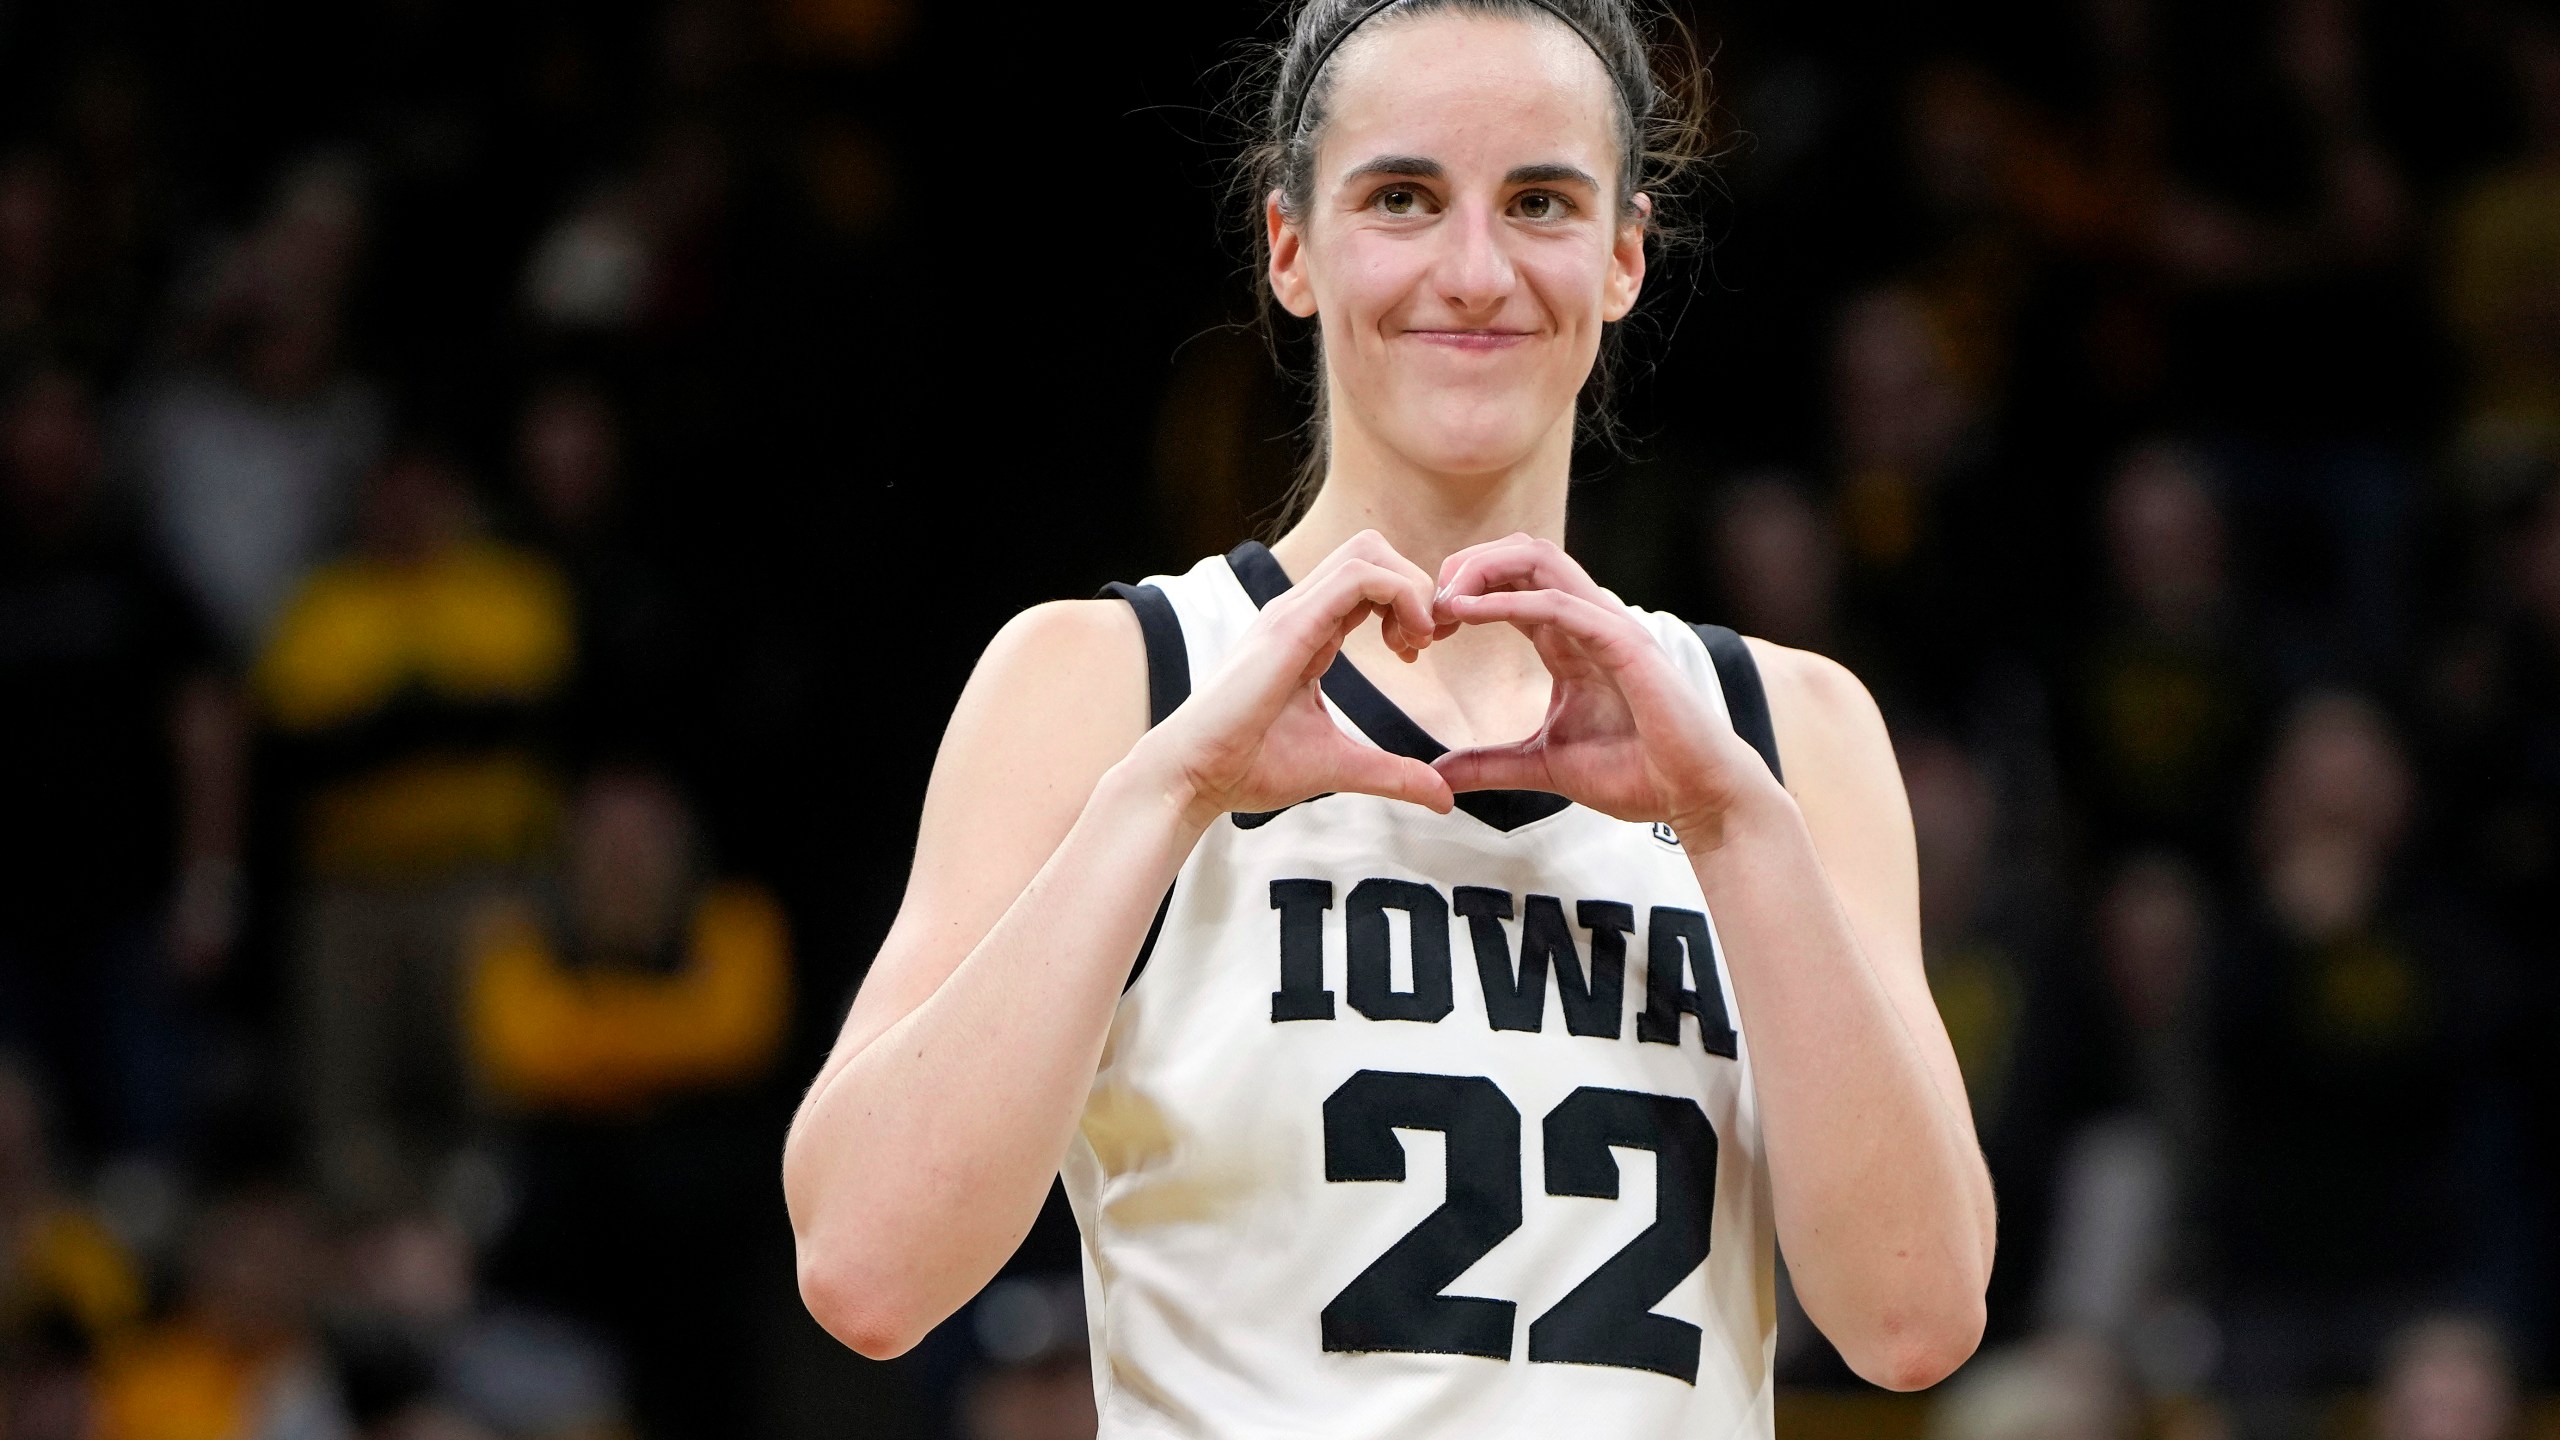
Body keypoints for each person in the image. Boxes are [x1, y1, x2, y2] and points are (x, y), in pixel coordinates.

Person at [783, 0, 1994, 1434]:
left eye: (1539, 201)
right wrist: (1169, 794)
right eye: (1404, 197)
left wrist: (1732, 828)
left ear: (1624, 256)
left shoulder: (1783, 729)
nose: (1474, 272)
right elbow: (867, 1268)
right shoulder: (1110, 680)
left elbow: (1913, 1316)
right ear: (1288, 246)